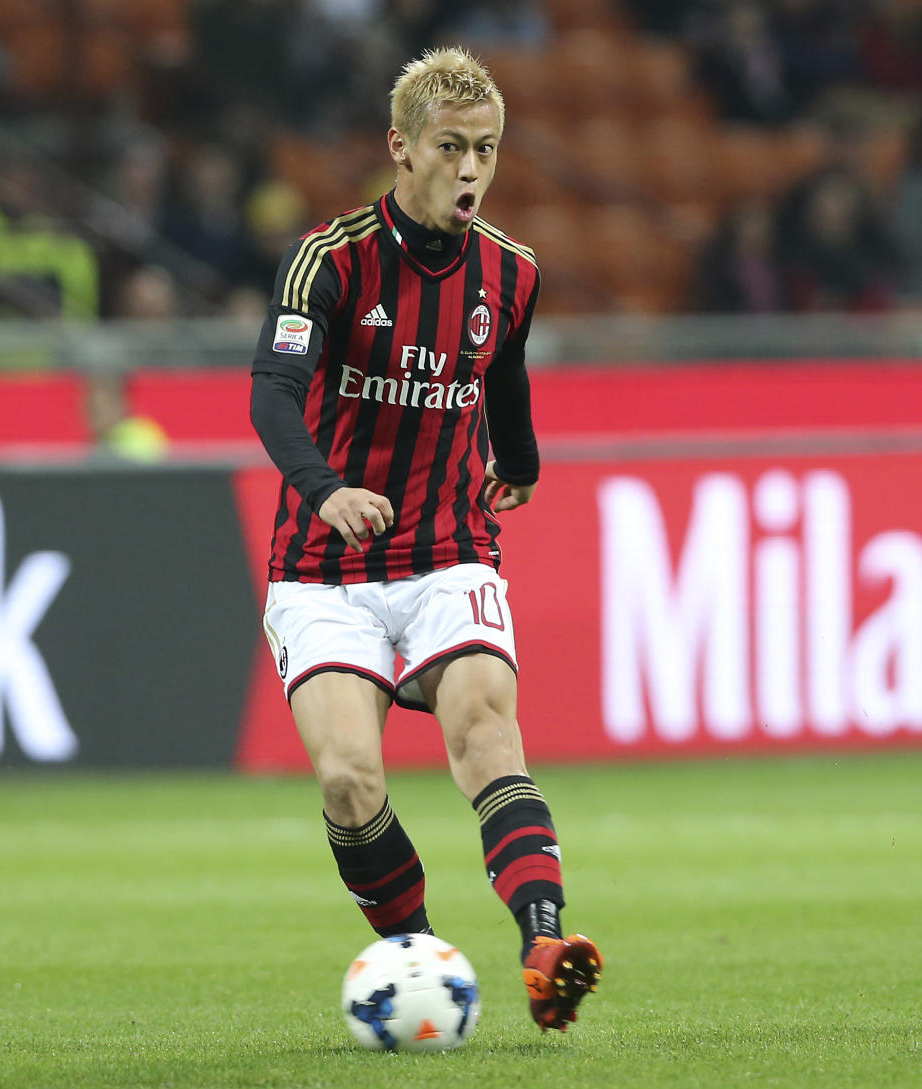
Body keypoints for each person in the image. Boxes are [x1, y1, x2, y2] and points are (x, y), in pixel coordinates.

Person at [249, 46, 601, 1033]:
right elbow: (272, 392)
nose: (471, 171)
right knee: (348, 777)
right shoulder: (332, 259)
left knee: (487, 731)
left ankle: (545, 943)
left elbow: (504, 372)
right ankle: (417, 954)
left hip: (449, 547)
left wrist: (520, 462)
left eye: (486, 150)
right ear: (400, 148)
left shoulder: (512, 271)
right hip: (324, 566)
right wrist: (322, 488)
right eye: (451, 148)